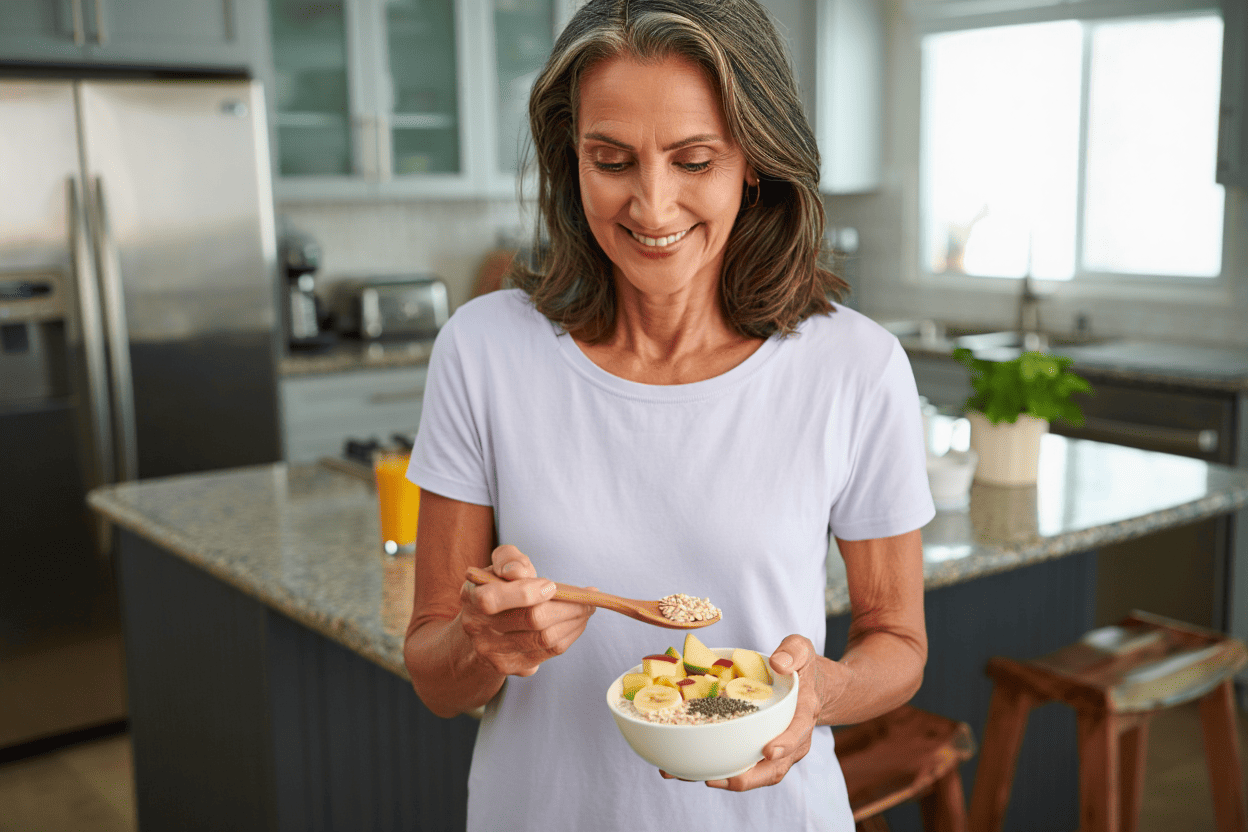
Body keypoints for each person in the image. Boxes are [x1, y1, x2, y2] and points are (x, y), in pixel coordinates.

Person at [403, 1, 934, 829]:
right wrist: (483, 644)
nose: (652, 206)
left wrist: (821, 691)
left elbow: (897, 641)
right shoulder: (483, 350)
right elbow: (434, 673)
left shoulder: (854, 369)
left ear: (753, 160)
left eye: (693, 160)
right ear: (569, 159)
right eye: (611, 159)